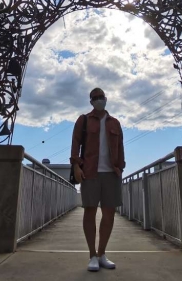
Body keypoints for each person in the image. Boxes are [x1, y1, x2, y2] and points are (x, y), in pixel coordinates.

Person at [70, 87, 126, 272]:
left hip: (111, 173)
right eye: (95, 97)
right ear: (91, 101)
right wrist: (76, 166)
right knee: (90, 212)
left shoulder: (115, 123)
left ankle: (102, 254)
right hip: (90, 172)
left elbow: (120, 146)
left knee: (109, 214)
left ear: (106, 98)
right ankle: (92, 255)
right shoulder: (84, 120)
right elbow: (76, 143)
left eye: (101, 97)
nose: (99, 99)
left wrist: (121, 166)